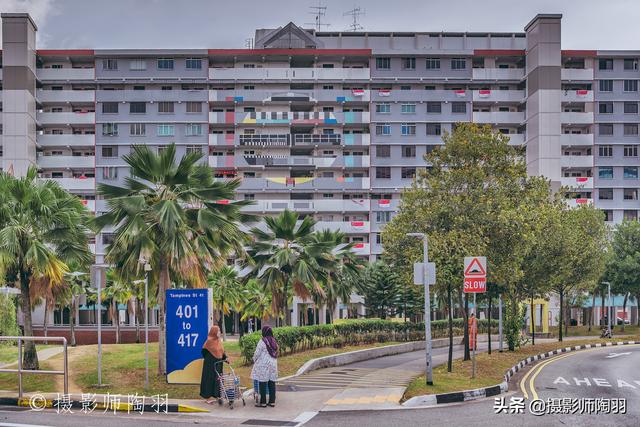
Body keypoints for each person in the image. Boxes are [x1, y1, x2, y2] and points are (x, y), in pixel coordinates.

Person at [251, 325, 278, 407]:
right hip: (273, 364)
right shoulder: (274, 341)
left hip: (263, 365)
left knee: (262, 382)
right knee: (272, 382)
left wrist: (254, 359)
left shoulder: (262, 341)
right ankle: (272, 401)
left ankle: (263, 402)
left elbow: (257, 353)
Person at [200, 325, 228, 404]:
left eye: (219, 330)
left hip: (218, 364)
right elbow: (204, 352)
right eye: (218, 331)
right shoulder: (209, 341)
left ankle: (217, 395)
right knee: (209, 379)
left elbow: (221, 352)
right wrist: (211, 357)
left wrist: (225, 358)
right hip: (210, 365)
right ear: (214, 332)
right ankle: (207, 397)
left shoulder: (219, 341)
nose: (219, 332)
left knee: (218, 379)